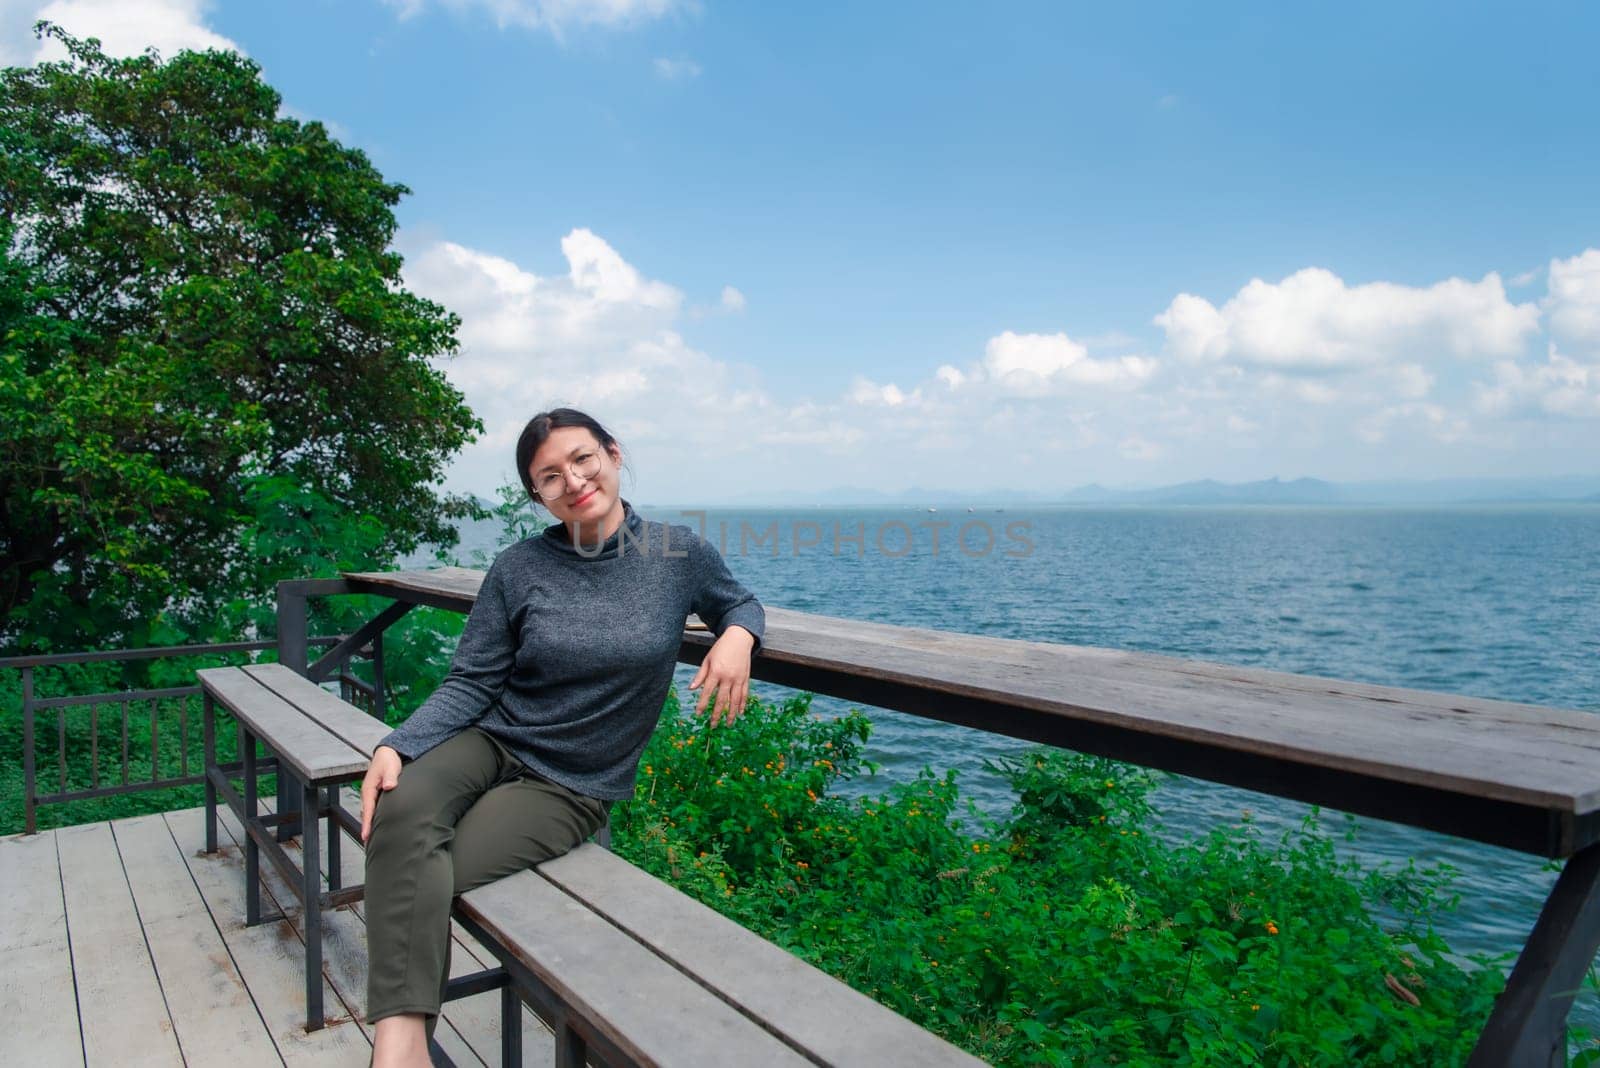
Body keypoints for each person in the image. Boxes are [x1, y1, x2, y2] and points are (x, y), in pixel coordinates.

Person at [358, 407, 763, 1068]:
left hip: (572, 781)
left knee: (421, 865)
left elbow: (738, 601)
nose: (573, 481)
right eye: (550, 476)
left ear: (612, 453)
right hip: (491, 740)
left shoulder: (677, 552)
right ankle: (400, 1052)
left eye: (582, 459)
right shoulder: (520, 566)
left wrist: (739, 638)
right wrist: (396, 744)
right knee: (401, 807)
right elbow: (471, 679)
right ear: (537, 495)